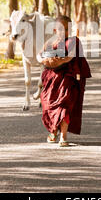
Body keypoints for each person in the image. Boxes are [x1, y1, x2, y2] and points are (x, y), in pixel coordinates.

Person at [37, 16, 91, 147]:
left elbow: (71, 56)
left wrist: (61, 60)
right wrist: (44, 60)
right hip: (51, 78)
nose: (64, 32)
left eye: (67, 29)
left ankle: (63, 136)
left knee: (64, 105)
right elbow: (39, 55)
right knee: (47, 104)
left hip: (66, 78)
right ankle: (53, 130)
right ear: (55, 29)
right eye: (61, 29)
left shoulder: (74, 41)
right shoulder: (50, 42)